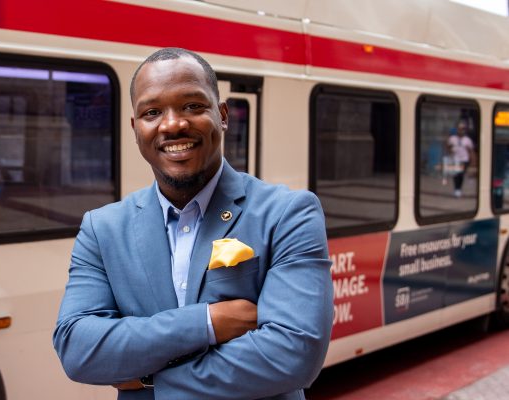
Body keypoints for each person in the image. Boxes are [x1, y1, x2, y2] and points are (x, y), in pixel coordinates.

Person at [53, 48, 333, 400]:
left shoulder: (289, 213)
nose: (173, 125)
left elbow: (296, 355)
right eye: (152, 112)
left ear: (223, 115)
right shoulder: (101, 229)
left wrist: (151, 382)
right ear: (135, 128)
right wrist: (207, 322)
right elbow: (78, 349)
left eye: (192, 106)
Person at [447, 120, 475, 198]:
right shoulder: (452, 138)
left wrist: (472, 161)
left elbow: (471, 151)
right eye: (459, 129)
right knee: (455, 174)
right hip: (455, 159)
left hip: (464, 159)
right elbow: (447, 147)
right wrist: (450, 148)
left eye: (462, 129)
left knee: (461, 174)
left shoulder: (467, 140)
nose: (461, 131)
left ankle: (458, 189)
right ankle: (456, 189)